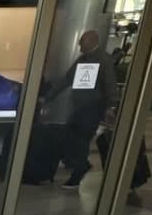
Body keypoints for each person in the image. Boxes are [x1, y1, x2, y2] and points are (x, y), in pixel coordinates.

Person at [41, 28, 118, 186]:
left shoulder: (104, 60)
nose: (79, 44)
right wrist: (48, 98)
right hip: (79, 108)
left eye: (82, 41)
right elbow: (66, 80)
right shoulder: (82, 60)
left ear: (92, 41)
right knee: (73, 137)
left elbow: (110, 84)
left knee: (81, 139)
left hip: (93, 108)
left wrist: (111, 105)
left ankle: (79, 170)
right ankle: (77, 163)